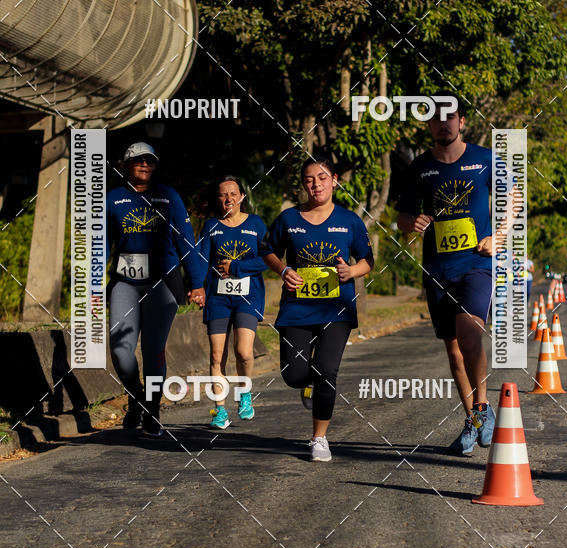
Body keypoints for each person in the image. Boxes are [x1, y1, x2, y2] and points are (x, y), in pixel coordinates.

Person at [396, 100, 505, 456]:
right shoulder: (420, 167)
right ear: (428, 125)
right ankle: (473, 421)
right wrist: (412, 224)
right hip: (437, 269)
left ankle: (483, 409)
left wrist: (498, 237)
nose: (444, 124)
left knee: (470, 335)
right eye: (436, 119)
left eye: (450, 118)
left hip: (476, 264)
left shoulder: (484, 158)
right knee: (454, 352)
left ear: (462, 121)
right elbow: (403, 217)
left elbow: (514, 198)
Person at [262, 155, 374, 462]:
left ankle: (319, 438)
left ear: (334, 180)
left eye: (322, 178)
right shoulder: (288, 219)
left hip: (336, 310)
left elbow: (368, 260)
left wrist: (352, 272)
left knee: (327, 371)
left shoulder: (349, 220)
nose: (316, 185)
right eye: (310, 179)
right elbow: (267, 251)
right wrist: (283, 270)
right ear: (303, 185)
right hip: (297, 309)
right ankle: (307, 385)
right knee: (294, 374)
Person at [107, 142, 204, 436]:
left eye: (150, 161)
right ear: (125, 165)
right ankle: (137, 397)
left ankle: (152, 408)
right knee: (121, 351)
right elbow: (97, 246)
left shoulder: (168, 197)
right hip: (125, 282)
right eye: (138, 161)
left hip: (162, 282)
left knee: (152, 350)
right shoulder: (112, 199)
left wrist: (198, 283)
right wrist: (90, 285)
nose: (145, 165)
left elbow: (186, 241)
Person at [195, 176, 268, 428]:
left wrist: (237, 266)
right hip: (218, 298)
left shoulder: (256, 224)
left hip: (248, 296)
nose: (229, 199)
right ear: (218, 199)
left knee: (244, 352)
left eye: (233, 193)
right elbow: (201, 261)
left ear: (242, 197)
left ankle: (245, 394)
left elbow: (269, 260)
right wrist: (197, 288)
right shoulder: (211, 226)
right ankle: (219, 411)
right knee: (217, 355)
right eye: (223, 194)